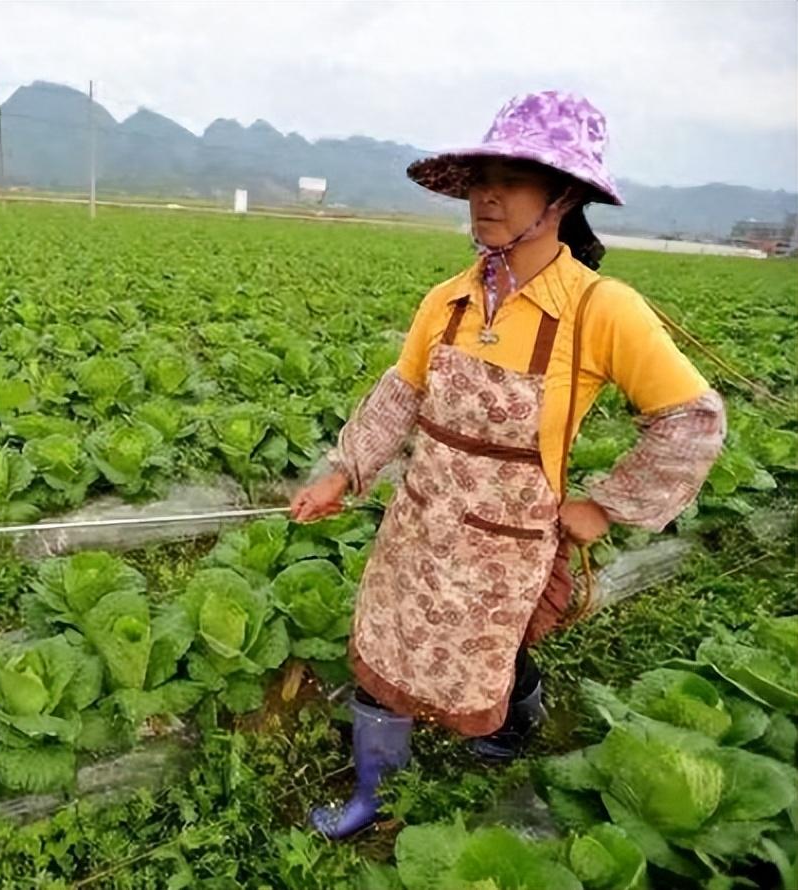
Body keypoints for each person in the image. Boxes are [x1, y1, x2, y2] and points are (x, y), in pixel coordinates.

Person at [292, 91, 726, 840]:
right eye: (480, 176)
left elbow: (691, 421)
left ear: (561, 195)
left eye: (512, 178)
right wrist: (344, 470)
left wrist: (605, 505)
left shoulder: (601, 310)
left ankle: (514, 723)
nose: (486, 194)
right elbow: (401, 394)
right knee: (381, 656)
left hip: (506, 545)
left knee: (494, 652)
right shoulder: (449, 301)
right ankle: (371, 797)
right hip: (418, 525)